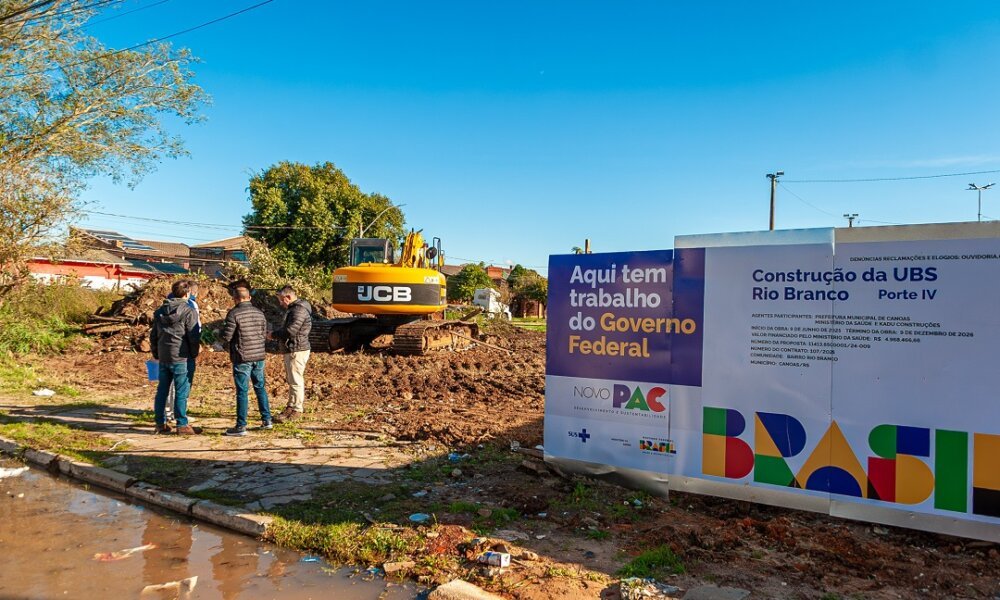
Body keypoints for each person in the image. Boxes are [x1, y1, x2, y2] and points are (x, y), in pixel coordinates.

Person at [219, 280, 272, 436]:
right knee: (260, 387)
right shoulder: (259, 313)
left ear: (235, 299)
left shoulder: (234, 313)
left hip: (242, 356)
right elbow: (263, 334)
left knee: (242, 391)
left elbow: (227, 336)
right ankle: (267, 419)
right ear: (249, 297)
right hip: (259, 355)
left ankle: (241, 426)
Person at [149, 279, 200, 435]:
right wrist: (194, 354)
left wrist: (157, 354)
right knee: (181, 391)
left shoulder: (159, 312)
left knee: (162, 390)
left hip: (165, 355)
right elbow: (193, 336)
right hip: (182, 356)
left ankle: (160, 423)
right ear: (187, 293)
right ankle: (182, 424)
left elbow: (154, 336)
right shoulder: (188, 311)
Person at [268, 285, 312, 423]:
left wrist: (273, 335)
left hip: (296, 348)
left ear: (288, 297)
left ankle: (296, 409)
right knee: (293, 380)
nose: (281, 303)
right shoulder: (296, 309)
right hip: (293, 347)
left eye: (282, 300)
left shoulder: (298, 310)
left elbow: (291, 331)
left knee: (296, 380)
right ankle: (291, 406)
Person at [163, 279, 201, 427]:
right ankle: (179, 417)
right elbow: (193, 330)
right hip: (182, 351)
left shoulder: (164, 306)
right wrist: (194, 350)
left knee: (168, 383)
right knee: (181, 384)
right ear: (189, 292)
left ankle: (166, 415)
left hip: (166, 349)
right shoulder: (190, 307)